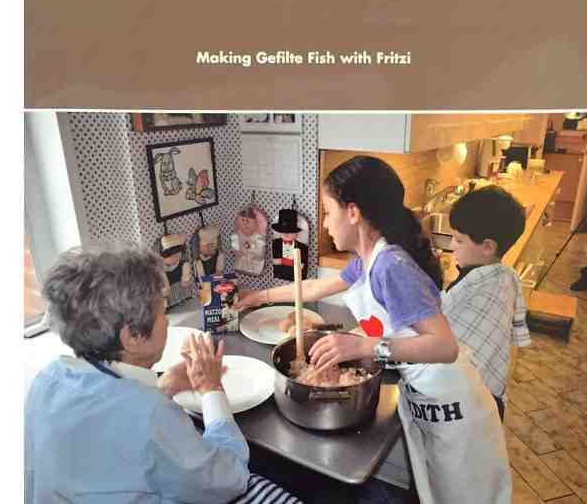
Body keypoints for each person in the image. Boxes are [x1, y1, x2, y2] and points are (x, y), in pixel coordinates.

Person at [235, 156, 511, 504]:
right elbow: (314, 288)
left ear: (353, 212)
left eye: (327, 211)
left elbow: (445, 346)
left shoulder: (392, 266)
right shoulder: (369, 261)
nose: (325, 223)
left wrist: (364, 347)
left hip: (455, 403)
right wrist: (258, 297)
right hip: (429, 399)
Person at [25, 244, 301, 504]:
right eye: (161, 311)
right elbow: (230, 478)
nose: (167, 320)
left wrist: (163, 386)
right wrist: (212, 389)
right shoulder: (148, 414)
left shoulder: (47, 379)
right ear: (133, 337)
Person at [442, 185, 532, 421]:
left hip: (471, 407)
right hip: (487, 403)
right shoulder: (499, 277)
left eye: (459, 240)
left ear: (488, 247)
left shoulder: (483, 289)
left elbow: (446, 345)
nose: (451, 246)